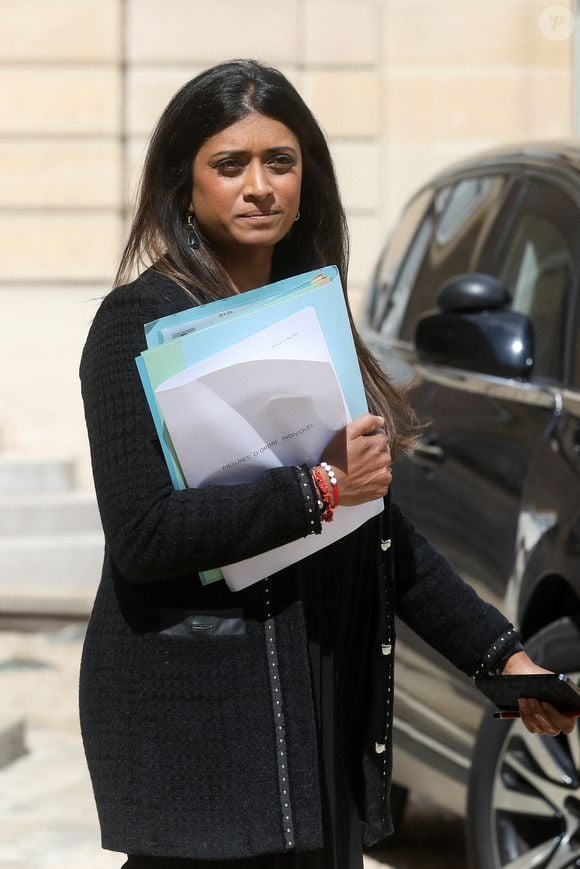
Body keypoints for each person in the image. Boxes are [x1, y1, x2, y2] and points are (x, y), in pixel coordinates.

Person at [79, 60, 575, 869]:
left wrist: (504, 657)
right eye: (228, 164)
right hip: (200, 722)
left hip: (317, 702)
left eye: (280, 161)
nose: (259, 186)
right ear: (185, 182)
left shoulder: (308, 316)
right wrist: (319, 488)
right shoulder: (136, 323)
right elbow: (144, 532)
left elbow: (380, 528)